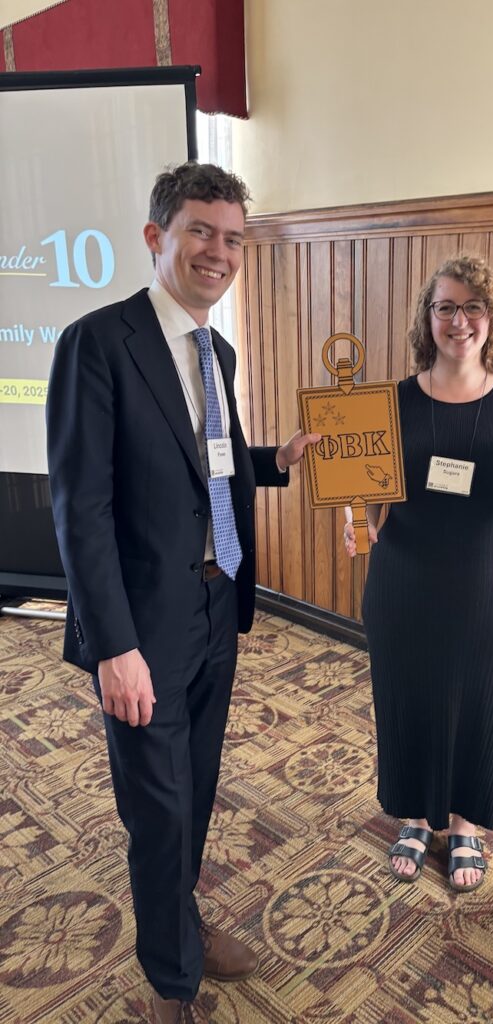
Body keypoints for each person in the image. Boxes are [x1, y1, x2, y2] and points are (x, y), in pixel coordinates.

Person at [46, 162, 318, 1023]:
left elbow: (215, 460)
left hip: (216, 606)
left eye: (234, 237)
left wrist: (275, 461)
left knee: (196, 787)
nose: (220, 251)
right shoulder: (100, 342)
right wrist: (111, 646)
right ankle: (172, 978)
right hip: (140, 626)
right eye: (202, 231)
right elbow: (79, 510)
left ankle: (184, 921)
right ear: (157, 237)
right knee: (157, 810)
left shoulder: (215, 348)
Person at [344, 254, 493, 893]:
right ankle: (412, 817)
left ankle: (464, 825)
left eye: (472, 307)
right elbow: (366, 501)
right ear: (428, 319)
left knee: (489, 706)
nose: (459, 321)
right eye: (445, 308)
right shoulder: (390, 400)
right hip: (407, 581)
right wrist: (350, 520)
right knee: (409, 699)